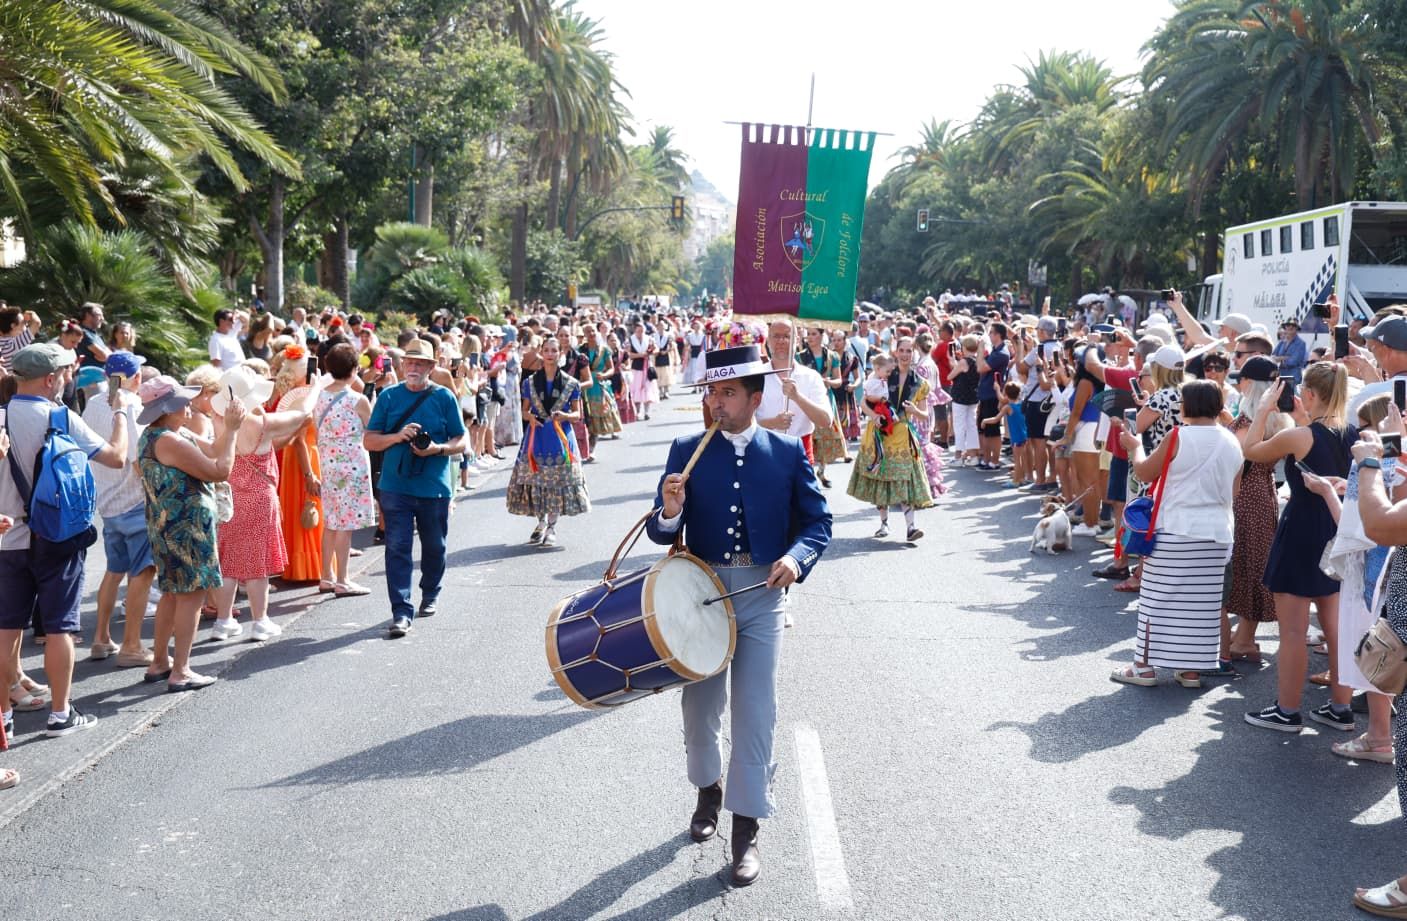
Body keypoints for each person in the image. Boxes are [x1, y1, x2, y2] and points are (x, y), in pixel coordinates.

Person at [645, 339, 831, 888]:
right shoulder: (686, 448)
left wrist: (796, 562)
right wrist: (670, 509)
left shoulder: (787, 452)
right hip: (700, 592)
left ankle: (746, 827)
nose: (717, 403)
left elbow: (817, 526)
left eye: (728, 393)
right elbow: (661, 529)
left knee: (756, 711)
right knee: (700, 708)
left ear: (755, 398)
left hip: (761, 595)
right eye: (712, 392)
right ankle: (708, 791)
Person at [0, 343, 129, 738]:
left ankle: (3, 716)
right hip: (56, 537)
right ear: (51, 378)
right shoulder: (60, 417)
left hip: (7, 539)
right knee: (58, 628)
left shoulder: (1, 418)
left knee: (5, 628)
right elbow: (116, 457)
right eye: (66, 373)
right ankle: (60, 714)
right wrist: (120, 412)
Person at [1243, 362, 1355, 732]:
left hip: (1302, 531)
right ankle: (1341, 708)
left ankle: (1288, 710)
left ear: (1308, 394)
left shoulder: (1301, 436)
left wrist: (1262, 410)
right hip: (1338, 531)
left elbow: (1252, 450)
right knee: (1336, 629)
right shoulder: (1355, 435)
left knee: (1292, 632)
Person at [1111, 380, 1243, 689]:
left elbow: (1144, 472)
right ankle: (1191, 670)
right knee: (1201, 604)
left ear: (1189, 405)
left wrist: (1135, 447)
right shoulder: (1232, 440)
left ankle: (1143, 667)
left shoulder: (1178, 435)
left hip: (1177, 528)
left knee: (1156, 598)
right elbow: (1233, 491)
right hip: (1217, 531)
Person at [138, 375, 243, 693]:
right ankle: (180, 670)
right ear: (169, 407)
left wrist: (226, 425)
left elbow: (212, 448)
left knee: (172, 593)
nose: (189, 406)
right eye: (183, 402)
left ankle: (160, 662)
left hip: (166, 525)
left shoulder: (158, 433)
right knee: (191, 598)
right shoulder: (170, 440)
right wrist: (235, 430)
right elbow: (219, 470)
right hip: (187, 529)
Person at [364, 338, 467, 638]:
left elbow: (461, 440)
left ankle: (431, 592)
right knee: (397, 547)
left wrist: (436, 448)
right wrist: (397, 437)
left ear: (431, 367)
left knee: (435, 547)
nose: (414, 367)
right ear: (402, 365)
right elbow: (370, 440)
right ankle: (401, 611)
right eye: (410, 362)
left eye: (420, 363)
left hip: (434, 487)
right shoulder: (388, 398)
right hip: (395, 486)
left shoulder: (444, 397)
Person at [209, 366, 315, 642]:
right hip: (258, 498)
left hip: (227, 496)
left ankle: (223, 621)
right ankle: (260, 621)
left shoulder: (218, 418)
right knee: (257, 563)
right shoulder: (261, 423)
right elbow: (299, 415)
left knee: (228, 560)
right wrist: (313, 391)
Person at [82, 352, 156, 668]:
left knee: (114, 571)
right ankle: (132, 645)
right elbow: (137, 459)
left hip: (108, 501)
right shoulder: (130, 405)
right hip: (134, 501)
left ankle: (101, 638)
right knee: (142, 573)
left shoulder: (95, 402)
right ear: (135, 377)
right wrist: (154, 496)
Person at [506, 336, 591, 547]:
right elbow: (524, 411)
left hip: (561, 438)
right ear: (541, 353)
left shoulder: (572, 384)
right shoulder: (530, 382)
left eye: (554, 350)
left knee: (557, 484)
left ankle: (552, 526)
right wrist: (531, 418)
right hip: (538, 436)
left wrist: (564, 416)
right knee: (537, 482)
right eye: (547, 350)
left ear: (559, 354)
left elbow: (577, 414)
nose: (551, 354)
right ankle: (541, 522)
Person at [846, 339, 935, 541]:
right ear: (896, 352)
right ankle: (884, 524)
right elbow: (863, 403)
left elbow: (924, 414)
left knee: (902, 479)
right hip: (879, 433)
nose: (905, 354)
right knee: (881, 478)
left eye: (909, 350)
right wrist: (874, 416)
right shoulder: (883, 374)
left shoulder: (920, 382)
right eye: (901, 350)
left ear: (914, 352)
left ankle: (911, 527)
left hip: (902, 435)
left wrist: (914, 410)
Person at [311, 343, 376, 595]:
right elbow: (372, 428)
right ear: (354, 370)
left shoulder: (317, 396)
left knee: (331, 522)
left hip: (328, 462)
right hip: (352, 465)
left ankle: (326, 576)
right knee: (345, 526)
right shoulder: (357, 400)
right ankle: (342, 580)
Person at [757, 321, 831, 474]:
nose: (781, 341)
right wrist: (773, 423)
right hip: (762, 452)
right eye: (776, 336)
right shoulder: (756, 377)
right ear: (768, 340)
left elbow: (825, 421)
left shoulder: (811, 377)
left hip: (801, 453)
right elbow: (743, 422)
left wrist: (797, 397)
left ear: (797, 340)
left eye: (787, 336)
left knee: (804, 498)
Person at [796, 326, 849, 488]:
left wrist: (828, 382)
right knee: (809, 434)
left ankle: (822, 469)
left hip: (826, 398)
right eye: (808, 335)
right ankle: (809, 471)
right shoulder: (800, 357)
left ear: (821, 336)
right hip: (807, 398)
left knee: (825, 434)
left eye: (813, 334)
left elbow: (838, 380)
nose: (810, 338)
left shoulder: (832, 356)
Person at [975, 322, 1011, 470]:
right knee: (984, 428)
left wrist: (980, 349)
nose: (989, 335)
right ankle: (987, 458)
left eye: (991, 332)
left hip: (992, 395)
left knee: (993, 429)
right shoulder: (996, 351)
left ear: (998, 335)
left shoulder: (1001, 353)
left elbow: (981, 368)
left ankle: (994, 460)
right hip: (986, 393)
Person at [581, 325, 623, 447]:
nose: (591, 333)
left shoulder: (604, 350)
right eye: (588, 331)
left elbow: (611, 368)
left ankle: (592, 447)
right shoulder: (580, 350)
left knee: (597, 418)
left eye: (593, 330)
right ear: (584, 334)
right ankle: (587, 446)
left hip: (599, 386)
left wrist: (604, 375)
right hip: (585, 386)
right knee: (587, 417)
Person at [626, 320, 659, 420]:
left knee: (648, 388)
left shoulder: (649, 339)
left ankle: (647, 412)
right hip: (636, 367)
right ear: (635, 331)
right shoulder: (630, 340)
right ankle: (637, 412)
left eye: (642, 331)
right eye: (638, 331)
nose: (640, 333)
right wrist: (640, 355)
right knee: (636, 388)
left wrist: (651, 352)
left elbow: (656, 349)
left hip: (647, 367)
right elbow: (628, 354)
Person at [0, 306, 41, 372]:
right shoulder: (13, 345)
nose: (26, 327)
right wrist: (30, 313)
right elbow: (37, 323)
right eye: (24, 323)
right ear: (13, 326)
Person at [76, 302, 111, 369]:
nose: (102, 319)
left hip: (102, 373)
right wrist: (106, 356)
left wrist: (107, 356)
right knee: (121, 374)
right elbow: (105, 356)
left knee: (124, 375)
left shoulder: (94, 334)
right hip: (91, 375)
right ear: (88, 315)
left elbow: (110, 355)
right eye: (99, 315)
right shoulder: (83, 333)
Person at [1273, 319, 1308, 384]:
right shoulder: (1282, 342)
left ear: (1297, 329)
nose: (1290, 327)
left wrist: (1279, 358)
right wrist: (1285, 357)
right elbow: (1273, 356)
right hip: (1281, 375)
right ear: (1285, 327)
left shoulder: (1301, 343)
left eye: (1293, 325)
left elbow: (1293, 361)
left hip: (1293, 377)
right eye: (1288, 325)